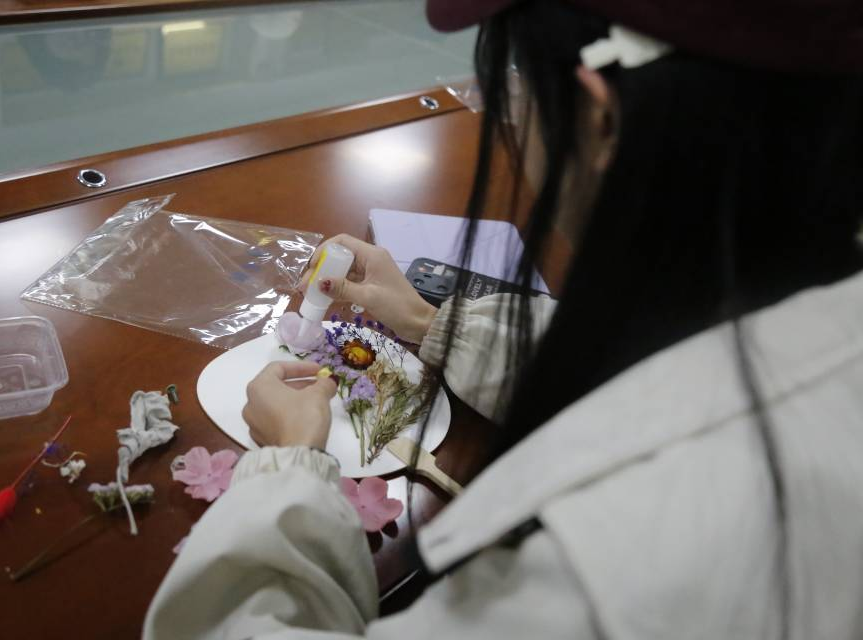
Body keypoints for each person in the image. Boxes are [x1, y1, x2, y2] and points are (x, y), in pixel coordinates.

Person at [145, 0, 863, 638]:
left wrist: (288, 470)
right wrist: (427, 320)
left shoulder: (597, 567)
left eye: (518, 96)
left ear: (599, 120)